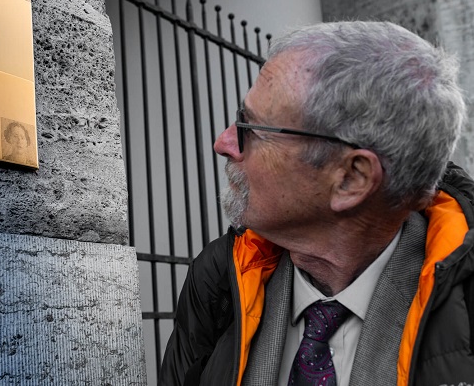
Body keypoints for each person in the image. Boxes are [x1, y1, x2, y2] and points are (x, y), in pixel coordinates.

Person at [159, 21, 474, 385]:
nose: (224, 142)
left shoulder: (463, 300)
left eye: (250, 127)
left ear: (351, 179)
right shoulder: (220, 280)